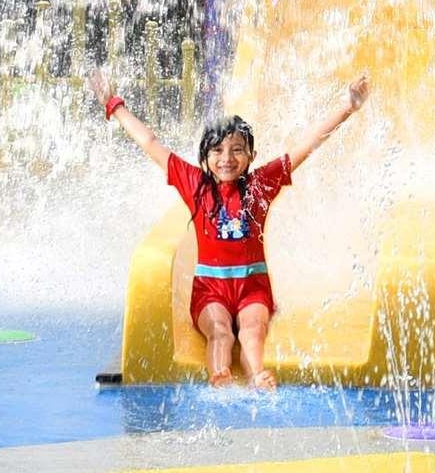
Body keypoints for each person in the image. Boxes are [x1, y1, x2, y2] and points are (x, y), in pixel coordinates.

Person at [96, 72, 367, 389]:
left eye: (237, 149)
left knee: (252, 329)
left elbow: (305, 146)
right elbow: (149, 142)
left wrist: (348, 106)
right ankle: (219, 373)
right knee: (220, 331)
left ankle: (255, 374)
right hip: (210, 289)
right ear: (204, 157)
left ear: (251, 155)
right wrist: (113, 104)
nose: (227, 158)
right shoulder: (195, 185)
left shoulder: (261, 185)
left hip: (253, 287)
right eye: (217, 151)